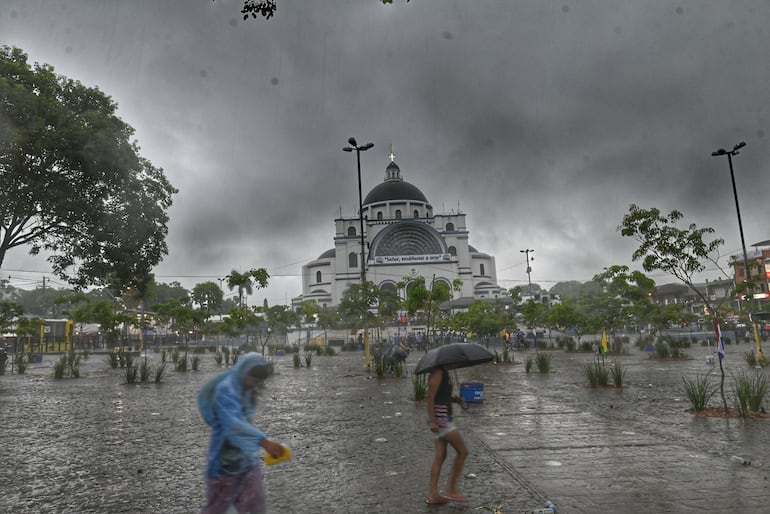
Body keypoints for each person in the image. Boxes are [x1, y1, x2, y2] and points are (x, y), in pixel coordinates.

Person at [198, 352, 285, 514]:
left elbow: (245, 419)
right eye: (254, 380)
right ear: (245, 372)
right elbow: (234, 424)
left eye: (259, 382)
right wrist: (264, 442)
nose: (255, 384)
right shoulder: (226, 390)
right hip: (224, 464)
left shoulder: (247, 389)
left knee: (254, 506)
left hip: (247, 462)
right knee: (218, 508)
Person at [425, 363, 468, 505]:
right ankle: (452, 490)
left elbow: (441, 395)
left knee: (440, 456)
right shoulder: (438, 372)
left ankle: (433, 494)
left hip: (442, 417)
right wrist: (432, 421)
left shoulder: (443, 372)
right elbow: (431, 396)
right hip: (442, 419)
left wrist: (455, 400)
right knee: (462, 452)